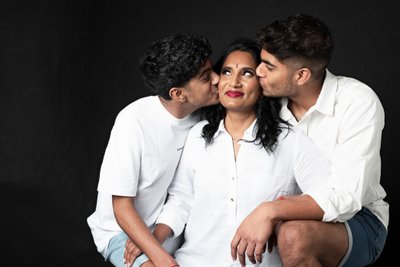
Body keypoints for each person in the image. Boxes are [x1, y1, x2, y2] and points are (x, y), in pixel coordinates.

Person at [126, 38, 332, 267]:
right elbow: (181, 199)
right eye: (226, 72)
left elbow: (327, 197)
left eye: (246, 73)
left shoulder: (290, 141)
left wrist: (276, 212)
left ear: (262, 83)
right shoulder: (198, 136)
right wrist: (154, 238)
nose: (234, 82)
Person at [230, 14, 388, 267]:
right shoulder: (267, 102)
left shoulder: (357, 101)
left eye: (269, 67)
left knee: (294, 235)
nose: (257, 72)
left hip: (358, 219)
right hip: (284, 217)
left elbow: (347, 197)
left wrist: (269, 211)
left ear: (301, 76)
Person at [86, 33, 220, 267]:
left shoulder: (202, 123)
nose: (218, 79)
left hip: (166, 230)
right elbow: (121, 206)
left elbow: (182, 194)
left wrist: (157, 239)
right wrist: (160, 258)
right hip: (120, 233)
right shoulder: (133, 121)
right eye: (206, 77)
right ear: (178, 94)